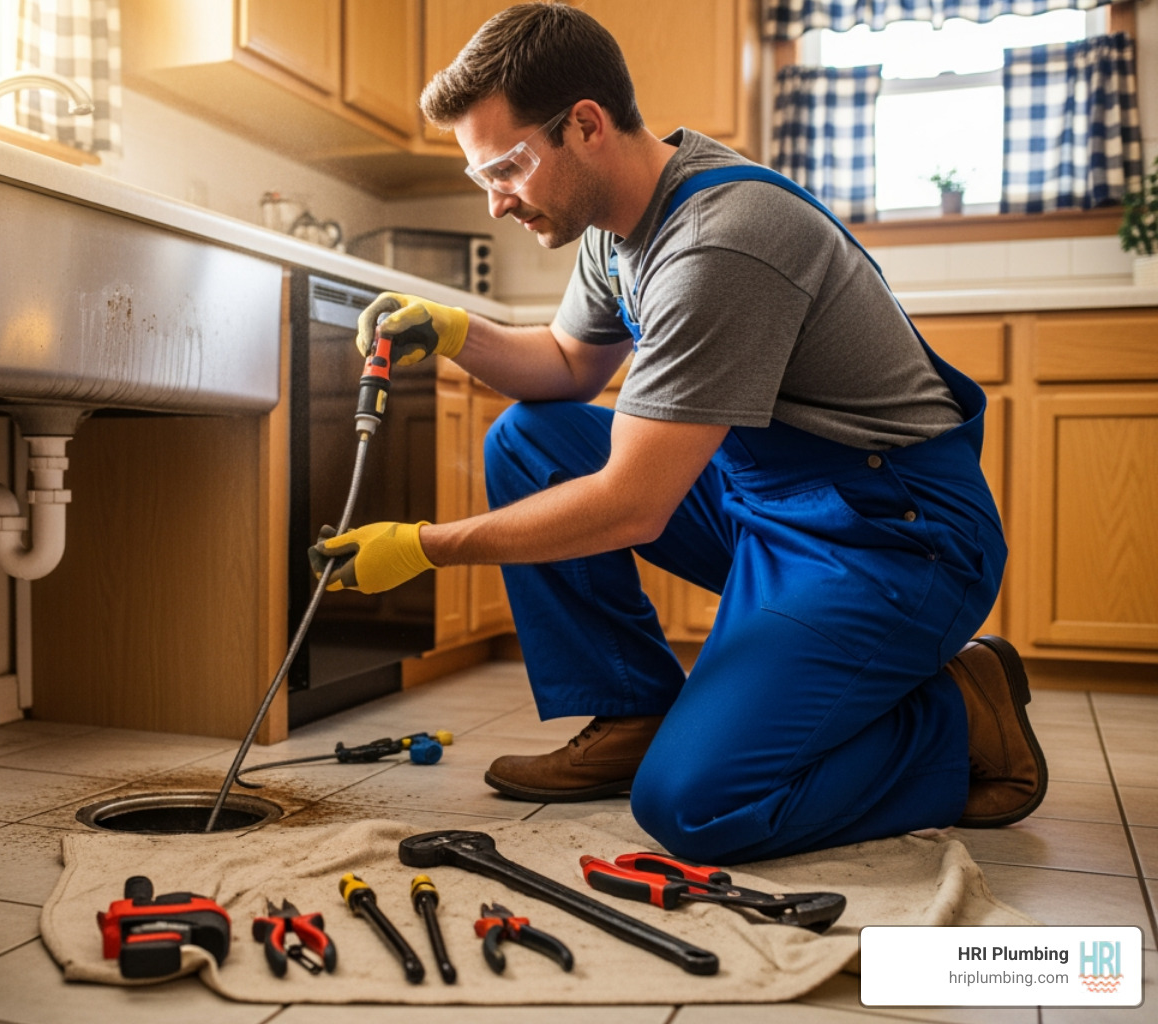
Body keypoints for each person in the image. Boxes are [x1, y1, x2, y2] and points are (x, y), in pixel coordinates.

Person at [308, 2, 1046, 864]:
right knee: (529, 439)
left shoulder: (719, 243)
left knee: (693, 806)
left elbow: (631, 507)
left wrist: (428, 546)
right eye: (482, 179)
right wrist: (456, 330)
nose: (498, 202)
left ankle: (962, 717)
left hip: (889, 534)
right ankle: (635, 711)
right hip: (770, 504)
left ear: (585, 124)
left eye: (505, 168)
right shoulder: (614, 227)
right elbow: (565, 364)